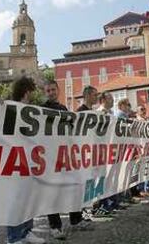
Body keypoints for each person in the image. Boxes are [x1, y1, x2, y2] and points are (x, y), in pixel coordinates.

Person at [42, 80, 90, 239]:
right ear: (45, 92)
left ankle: (76, 219)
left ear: (58, 90)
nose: (51, 92)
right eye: (48, 90)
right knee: (52, 192)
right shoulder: (41, 109)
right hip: (50, 157)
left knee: (73, 187)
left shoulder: (63, 109)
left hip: (66, 156)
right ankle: (55, 226)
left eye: (53, 89)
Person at [6, 77, 46, 244]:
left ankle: (27, 231)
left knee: (28, 197)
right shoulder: (9, 108)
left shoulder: (31, 109)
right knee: (15, 199)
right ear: (27, 90)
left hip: (30, 160)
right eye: (32, 90)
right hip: (14, 160)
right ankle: (14, 237)